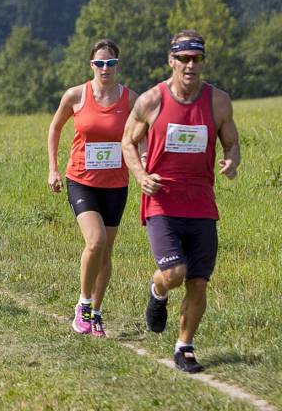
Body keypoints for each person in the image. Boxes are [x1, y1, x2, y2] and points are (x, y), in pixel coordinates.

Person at [122, 30, 240, 373]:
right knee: (174, 273)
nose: (190, 65)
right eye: (183, 58)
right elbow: (128, 142)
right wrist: (141, 176)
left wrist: (232, 160)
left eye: (196, 59)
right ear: (171, 60)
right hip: (163, 202)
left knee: (198, 281)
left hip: (202, 204)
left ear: (203, 62)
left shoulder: (218, 101)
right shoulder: (151, 101)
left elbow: (231, 142)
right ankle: (157, 290)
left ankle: (184, 346)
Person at [47, 39, 138, 338]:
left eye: (110, 63)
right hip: (81, 181)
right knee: (95, 241)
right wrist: (53, 169)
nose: (105, 68)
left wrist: (146, 163)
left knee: (107, 252)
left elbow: (143, 135)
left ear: (117, 65)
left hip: (116, 184)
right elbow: (55, 127)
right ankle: (83, 306)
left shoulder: (131, 100)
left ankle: (96, 312)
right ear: (91, 65)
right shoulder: (76, 95)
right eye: (99, 63)